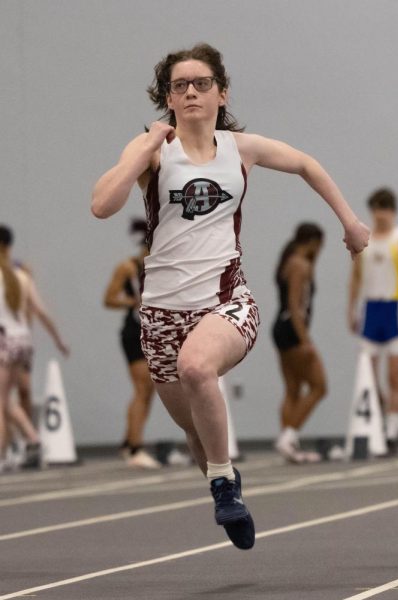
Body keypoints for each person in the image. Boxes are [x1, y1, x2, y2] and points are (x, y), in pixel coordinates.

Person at [91, 43, 369, 549]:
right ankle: (223, 477)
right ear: (168, 98)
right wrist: (144, 145)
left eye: (201, 83)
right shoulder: (155, 151)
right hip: (160, 313)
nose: (191, 92)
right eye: (180, 86)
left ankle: (222, 485)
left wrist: (349, 221)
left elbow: (306, 164)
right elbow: (102, 205)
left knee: (198, 368)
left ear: (222, 92)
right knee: (195, 429)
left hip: (226, 301)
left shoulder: (242, 149)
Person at [348, 188, 398, 455]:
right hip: (371, 310)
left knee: (395, 374)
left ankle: (394, 428)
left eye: (383, 210)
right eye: (375, 210)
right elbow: (356, 276)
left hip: (396, 310)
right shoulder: (364, 239)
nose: (379, 215)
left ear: (391, 210)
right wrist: (351, 309)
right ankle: (378, 423)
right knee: (369, 374)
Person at [0, 225, 69, 471]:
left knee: (1, 400)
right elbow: (40, 311)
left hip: (4, 341)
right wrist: (58, 340)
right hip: (22, 341)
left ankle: (8, 451)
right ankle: (29, 440)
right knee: (6, 399)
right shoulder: (22, 275)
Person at [103, 218, 160, 469]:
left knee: (151, 390)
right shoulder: (128, 267)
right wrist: (132, 303)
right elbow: (108, 298)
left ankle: (128, 442)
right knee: (142, 387)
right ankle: (136, 447)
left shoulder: (163, 265)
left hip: (156, 331)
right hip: (134, 331)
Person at [272, 223, 327, 464]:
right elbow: (296, 305)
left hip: (283, 328)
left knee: (293, 389)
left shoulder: (291, 261)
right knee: (319, 386)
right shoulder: (300, 265)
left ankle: (289, 444)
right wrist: (305, 340)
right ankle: (289, 436)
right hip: (291, 330)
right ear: (313, 242)